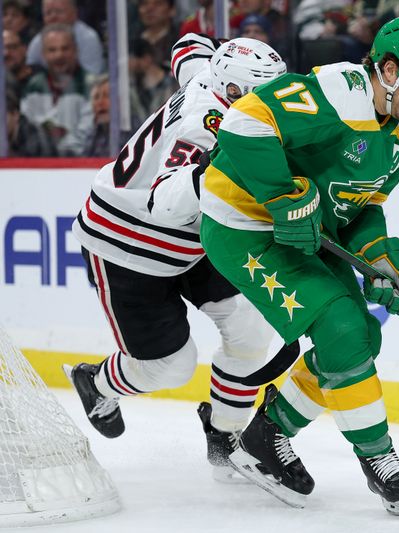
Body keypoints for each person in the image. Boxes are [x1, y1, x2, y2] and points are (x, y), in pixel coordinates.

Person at [198, 16, 399, 516]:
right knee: (340, 328)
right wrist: (283, 195)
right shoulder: (340, 90)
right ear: (390, 69)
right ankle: (380, 459)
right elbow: (244, 121)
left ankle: (265, 437)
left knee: (359, 338)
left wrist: (377, 255)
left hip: (310, 231)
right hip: (244, 223)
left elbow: (360, 205)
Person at [65, 33, 291, 483]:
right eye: (262, 95)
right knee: (170, 367)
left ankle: (225, 433)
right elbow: (165, 203)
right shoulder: (202, 130)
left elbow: (189, 46)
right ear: (231, 92)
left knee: (251, 326)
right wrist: (224, 168)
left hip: (194, 240)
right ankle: (97, 383)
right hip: (129, 244)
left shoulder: (214, 76)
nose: (273, 105)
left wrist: (223, 46)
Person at [19, 23, 93, 157]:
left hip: (79, 164)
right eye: (52, 50)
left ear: (76, 50)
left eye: (65, 48)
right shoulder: (33, 85)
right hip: (37, 162)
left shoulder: (90, 84)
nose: (59, 55)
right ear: (43, 54)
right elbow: (26, 124)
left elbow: (88, 132)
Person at [25, 0, 105, 75]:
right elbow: (31, 73)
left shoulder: (88, 38)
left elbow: (92, 76)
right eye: (48, 13)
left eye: (59, 11)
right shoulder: (37, 41)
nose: (53, 17)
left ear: (74, 13)